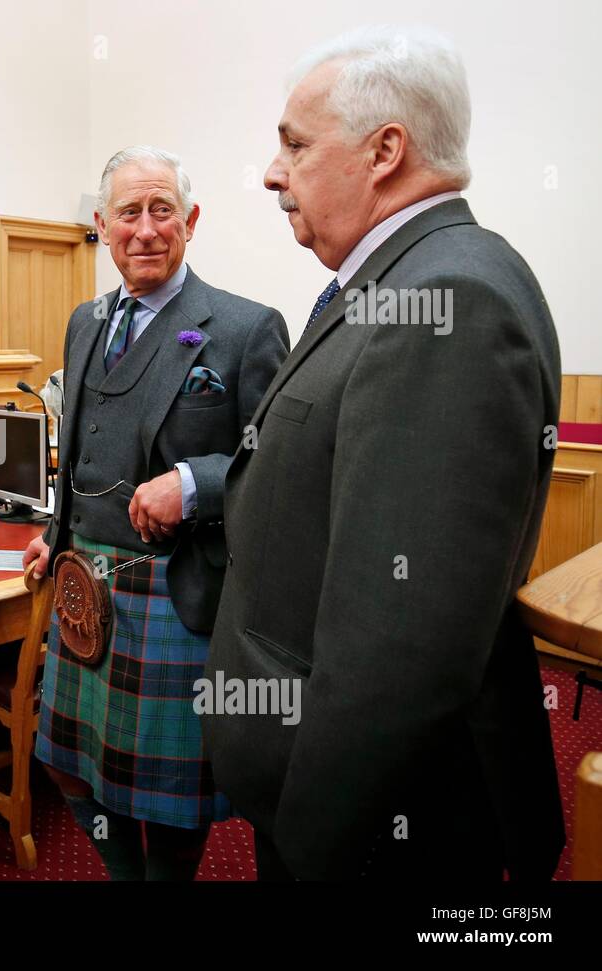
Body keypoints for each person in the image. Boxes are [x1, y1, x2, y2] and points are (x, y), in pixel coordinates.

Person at [202, 26, 565, 880]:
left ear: (384, 151)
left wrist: (313, 840)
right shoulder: (400, 278)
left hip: (374, 833)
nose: (272, 172)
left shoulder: (448, 299)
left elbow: (398, 649)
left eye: (295, 144)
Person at [23, 146, 289, 880]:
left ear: (190, 221)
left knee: (170, 797)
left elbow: (278, 462)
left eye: (161, 210)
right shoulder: (84, 322)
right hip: (82, 579)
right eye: (128, 213)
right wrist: (54, 534)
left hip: (178, 589)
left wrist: (196, 482)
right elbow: (78, 445)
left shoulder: (245, 327)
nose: (145, 229)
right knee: (69, 764)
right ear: (103, 226)